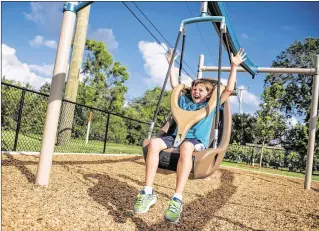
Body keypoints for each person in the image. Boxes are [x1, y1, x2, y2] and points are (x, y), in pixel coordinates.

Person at [133, 48, 247, 224]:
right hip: (176, 136)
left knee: (186, 147)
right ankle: (148, 192)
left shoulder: (212, 104)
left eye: (201, 90)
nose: (195, 91)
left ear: (208, 94)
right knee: (154, 144)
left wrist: (234, 66)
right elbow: (174, 87)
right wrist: (171, 63)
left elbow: (228, 89)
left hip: (195, 141)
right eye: (194, 88)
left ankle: (177, 199)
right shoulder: (184, 100)